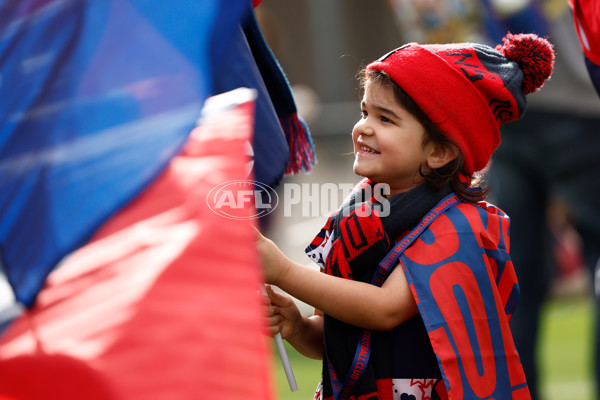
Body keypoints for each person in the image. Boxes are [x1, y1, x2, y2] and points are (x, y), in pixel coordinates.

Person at [257, 33, 555, 400]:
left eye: (386, 119)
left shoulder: (458, 225)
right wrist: (299, 327)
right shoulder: (353, 216)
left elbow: (385, 310)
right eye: (365, 112)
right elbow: (335, 339)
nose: (364, 126)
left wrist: (283, 272)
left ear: (440, 152)